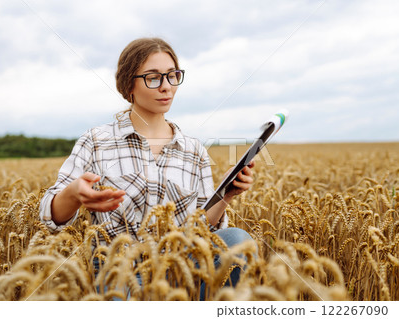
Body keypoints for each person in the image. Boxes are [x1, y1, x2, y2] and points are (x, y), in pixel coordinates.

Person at [39, 37, 255, 298]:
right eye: (153, 78)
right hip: (121, 268)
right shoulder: (96, 141)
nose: (166, 87)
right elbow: (49, 217)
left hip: (182, 265)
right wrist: (73, 194)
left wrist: (224, 195)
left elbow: (202, 228)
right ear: (129, 83)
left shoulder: (193, 149)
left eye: (173, 76)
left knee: (237, 241)